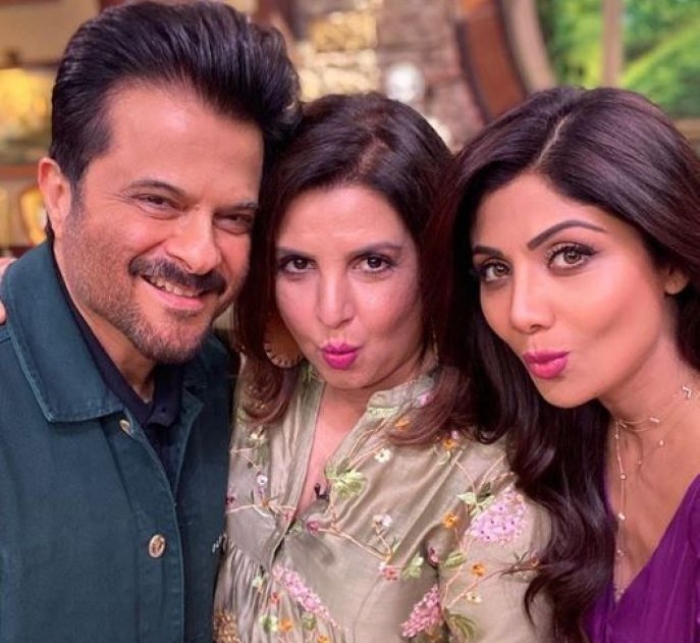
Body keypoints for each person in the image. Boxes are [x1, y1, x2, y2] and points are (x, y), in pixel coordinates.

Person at [0, 0, 299, 643]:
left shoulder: (244, 390)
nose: (201, 254)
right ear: (58, 195)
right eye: (159, 201)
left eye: (235, 218)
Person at [211, 92, 552, 643]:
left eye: (372, 263)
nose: (330, 311)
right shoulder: (254, 383)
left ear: (435, 264)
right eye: (297, 264)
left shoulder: (489, 479)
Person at [425, 85, 700, 642]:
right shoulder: (562, 441)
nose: (521, 312)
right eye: (495, 270)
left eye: (570, 255)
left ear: (671, 261)